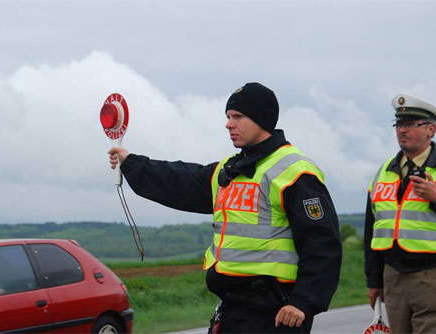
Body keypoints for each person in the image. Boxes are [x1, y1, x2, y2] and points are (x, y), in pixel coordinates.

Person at [109, 82, 342, 333]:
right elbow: (180, 180)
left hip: (276, 314)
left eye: (238, 116)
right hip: (232, 309)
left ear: (262, 119)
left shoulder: (294, 172)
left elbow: (322, 243)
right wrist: (130, 162)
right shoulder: (227, 170)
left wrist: (303, 302)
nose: (229, 123)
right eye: (228, 116)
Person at [364, 93, 436, 334]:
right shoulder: (383, 171)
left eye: (411, 124)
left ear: (431, 129)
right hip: (393, 276)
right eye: (399, 124)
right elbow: (373, 230)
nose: (402, 130)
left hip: (435, 275)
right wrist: (374, 281)